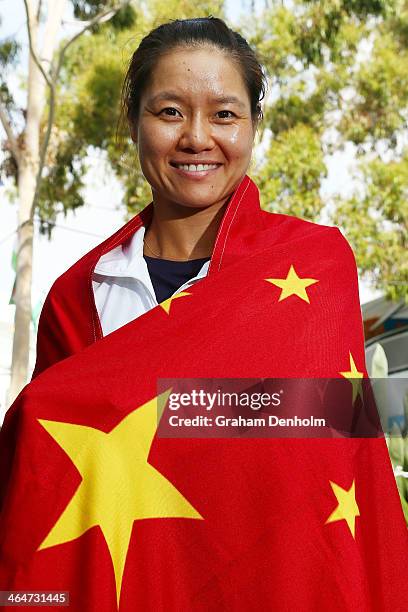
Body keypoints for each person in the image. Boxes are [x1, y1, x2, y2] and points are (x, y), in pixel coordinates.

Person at [2, 16, 408, 612]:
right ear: (133, 121)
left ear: (253, 127)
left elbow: (328, 436)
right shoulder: (77, 294)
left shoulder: (317, 263)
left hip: (279, 584)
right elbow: (53, 475)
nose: (196, 137)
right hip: (130, 589)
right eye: (169, 112)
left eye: (224, 114)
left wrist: (171, 408)